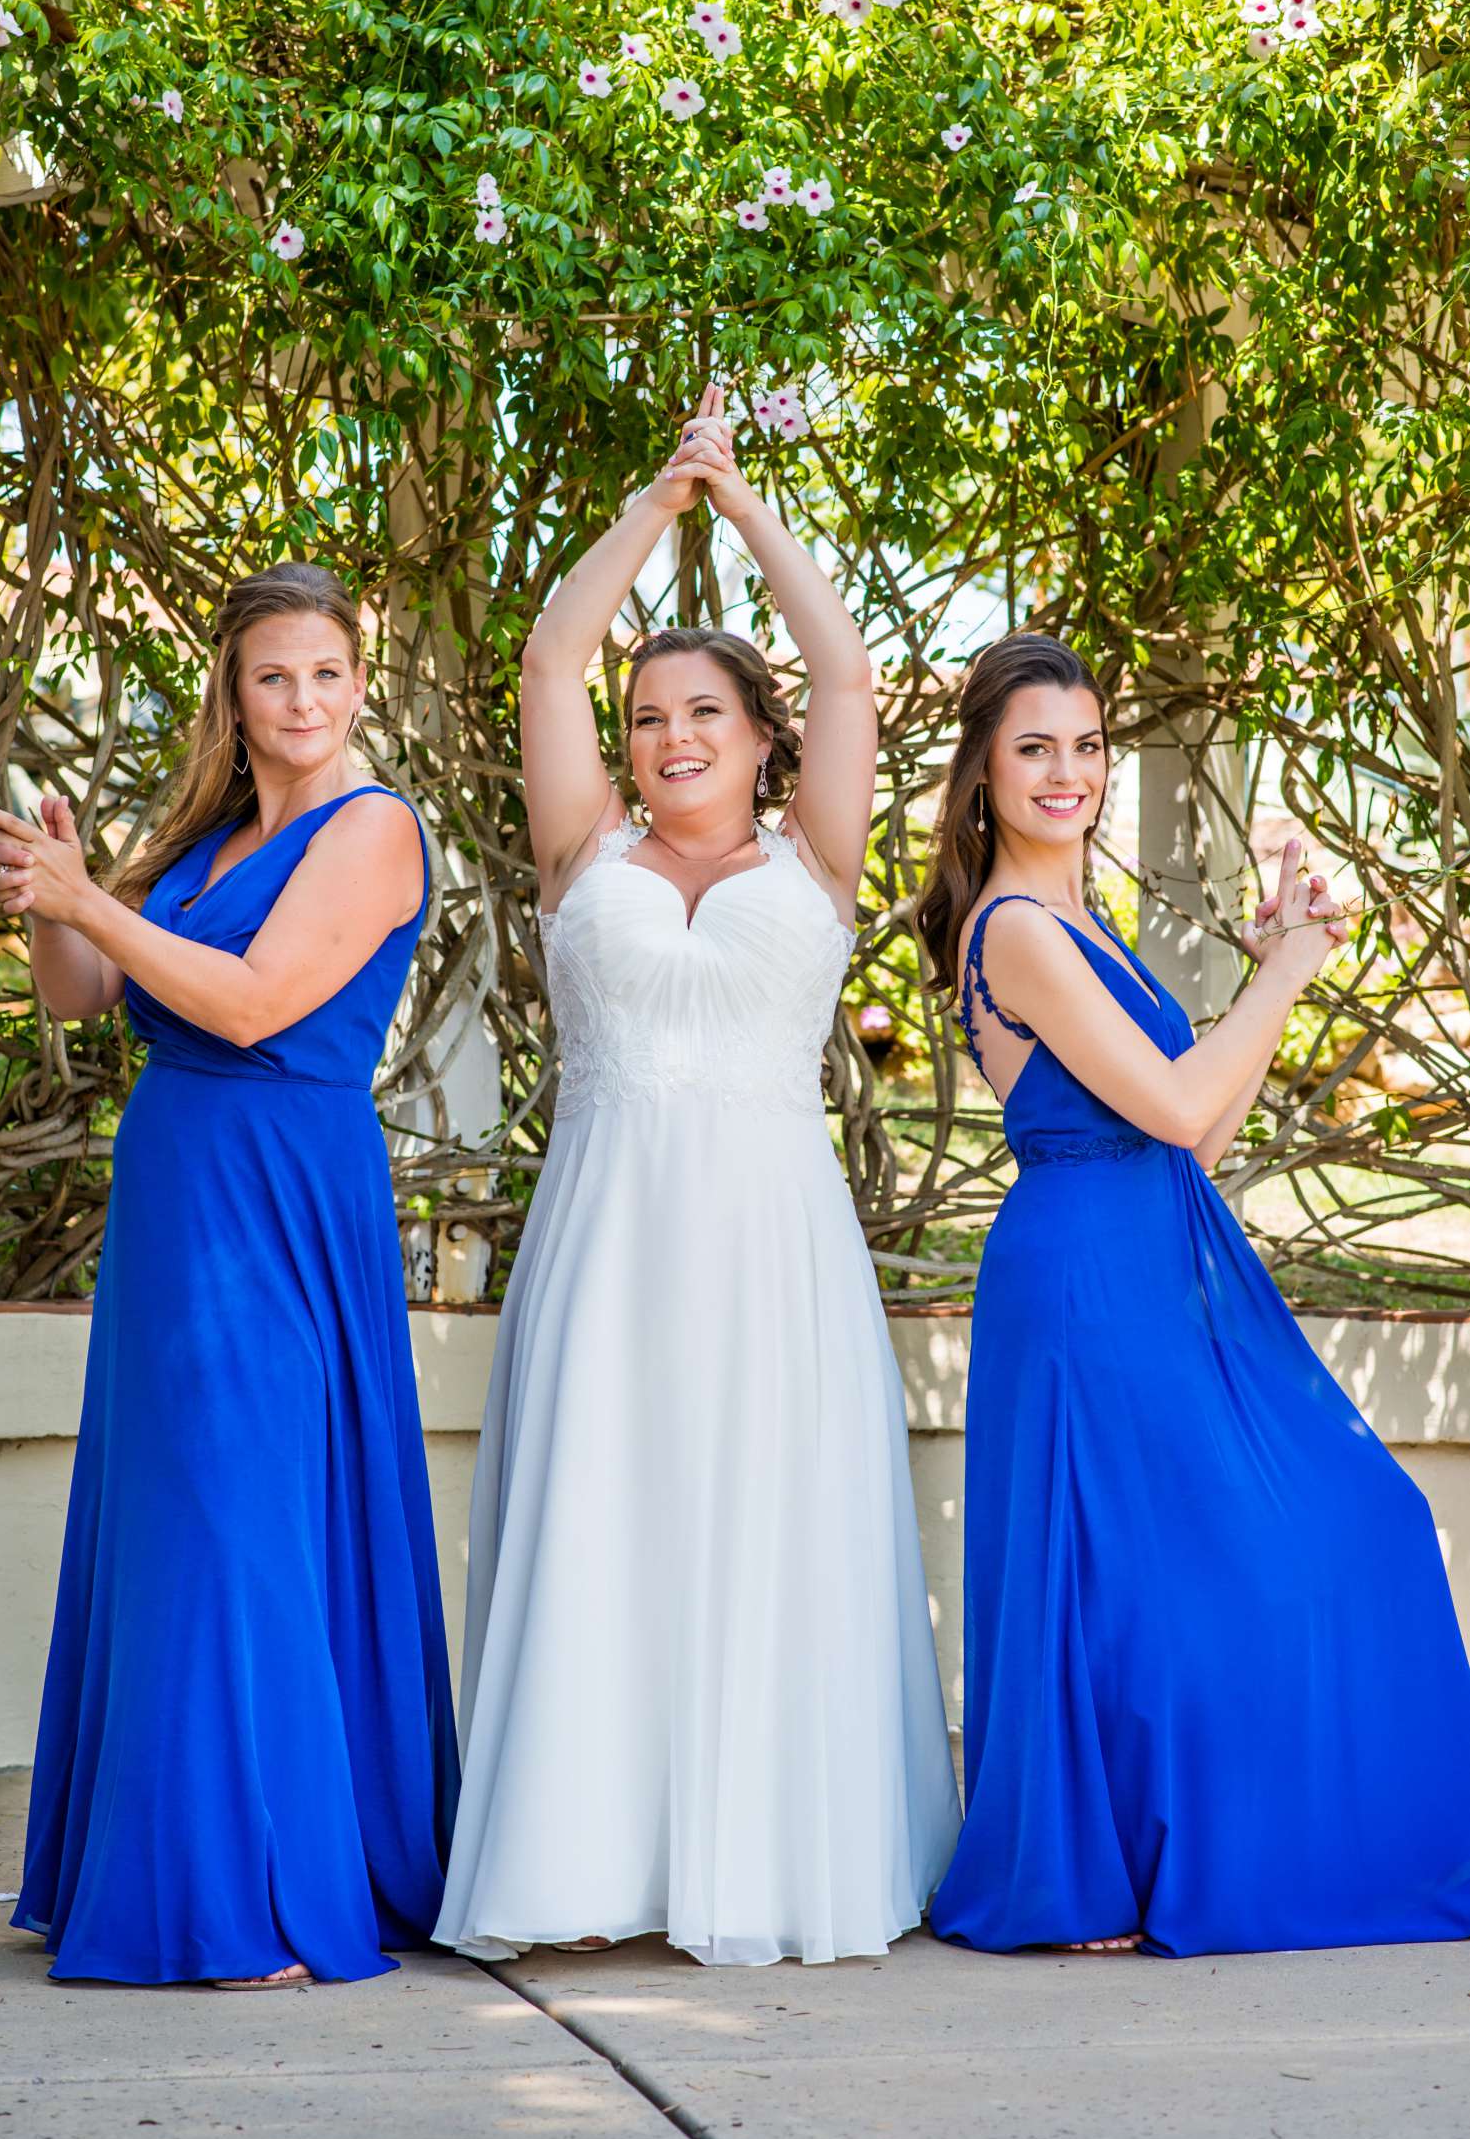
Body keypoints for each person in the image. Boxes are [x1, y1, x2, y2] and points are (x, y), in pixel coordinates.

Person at [433, 386, 959, 1966]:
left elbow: (852, 668)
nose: (668, 737)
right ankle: (578, 1861)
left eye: (703, 714)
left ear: (761, 740)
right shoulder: (580, 850)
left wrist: (742, 510)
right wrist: (656, 500)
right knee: (605, 1516)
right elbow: (545, 657)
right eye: (649, 714)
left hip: (768, 1244)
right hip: (605, 1237)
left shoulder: (814, 862)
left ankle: (762, 1860)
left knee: (762, 1519)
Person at [919, 629, 1470, 1956]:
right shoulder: (1014, 925)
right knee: (1134, 1572)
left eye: (1087, 746)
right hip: (1088, 1279)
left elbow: (1193, 1140)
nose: (1067, 773)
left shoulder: (1081, 923)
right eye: (1033, 748)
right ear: (984, 774)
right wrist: (1282, 970)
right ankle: (1080, 1875)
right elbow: (1172, 1101)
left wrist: (1271, 972)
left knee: (1338, 1527)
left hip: (1153, 1254)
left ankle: (1140, 1854)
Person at [0, 562, 459, 1986]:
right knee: (181, 1515)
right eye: (273, 677)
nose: (304, 700)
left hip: (281, 1193)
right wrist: (52, 898)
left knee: (245, 1514)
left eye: (327, 672)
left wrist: (97, 900)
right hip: (177, 1203)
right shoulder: (206, 840)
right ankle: (182, 1869)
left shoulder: (373, 831)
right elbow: (82, 995)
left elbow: (251, 1007)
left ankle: (259, 1892)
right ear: (234, 698)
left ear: (357, 683)